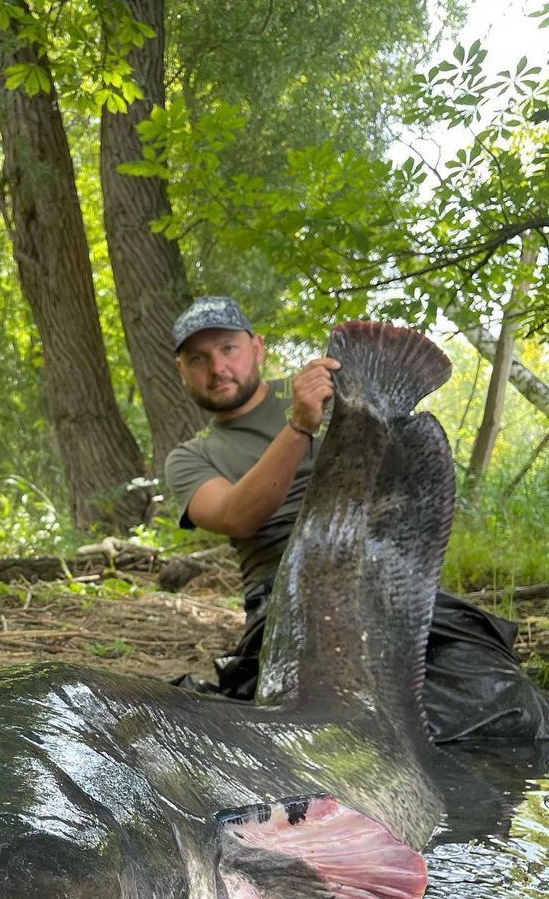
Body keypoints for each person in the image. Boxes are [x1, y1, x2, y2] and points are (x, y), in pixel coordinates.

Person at [164, 296, 549, 742]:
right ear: (181, 371)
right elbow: (236, 517)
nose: (217, 367)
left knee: (501, 699)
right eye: (198, 358)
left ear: (257, 347)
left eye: (228, 348)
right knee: (335, 731)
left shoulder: (325, 389)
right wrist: (298, 428)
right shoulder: (191, 457)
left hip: (390, 578)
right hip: (284, 600)